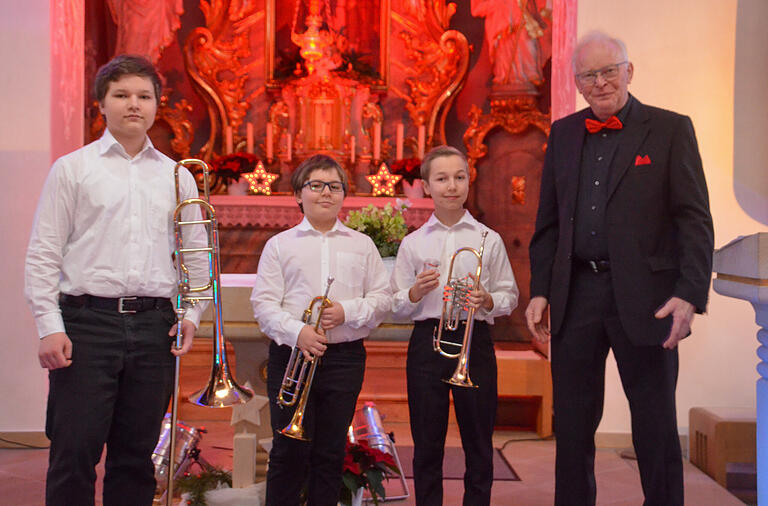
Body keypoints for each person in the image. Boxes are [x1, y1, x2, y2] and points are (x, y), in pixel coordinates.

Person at [526, 31, 714, 506]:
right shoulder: (564, 134)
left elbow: (693, 217)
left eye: (610, 70)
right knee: (571, 426)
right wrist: (541, 290)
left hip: (648, 299)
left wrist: (690, 292)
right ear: (577, 83)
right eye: (590, 74)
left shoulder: (670, 129)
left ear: (630, 71)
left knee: (653, 425)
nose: (602, 81)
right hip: (576, 296)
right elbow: (548, 223)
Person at [24, 54, 209, 505]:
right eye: (122, 95)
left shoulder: (177, 175)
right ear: (101, 104)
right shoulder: (73, 169)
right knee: (74, 452)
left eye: (144, 96)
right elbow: (44, 253)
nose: (134, 104)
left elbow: (196, 256)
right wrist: (50, 325)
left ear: (156, 106)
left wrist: (192, 313)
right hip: (87, 324)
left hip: (153, 326)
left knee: (135, 456)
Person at [250, 154, 391, 506]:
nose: (325, 193)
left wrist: (347, 311)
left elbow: (382, 298)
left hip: (344, 359)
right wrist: (298, 332)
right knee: (287, 452)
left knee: (330, 454)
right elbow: (264, 304)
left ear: (344, 194)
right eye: (315, 185)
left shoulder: (362, 245)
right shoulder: (279, 245)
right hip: (292, 357)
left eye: (334, 186)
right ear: (298, 194)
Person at [391, 145, 519, 506]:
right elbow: (395, 304)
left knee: (478, 441)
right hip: (427, 343)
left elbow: (509, 294)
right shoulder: (413, 243)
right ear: (426, 187)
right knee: (427, 441)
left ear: (469, 181)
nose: (452, 186)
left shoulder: (487, 239)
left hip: (473, 341)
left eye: (459, 177)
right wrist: (414, 292)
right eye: (442, 178)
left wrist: (488, 299)